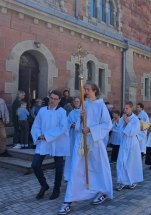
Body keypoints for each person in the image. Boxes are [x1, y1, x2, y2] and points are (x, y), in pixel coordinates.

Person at [58, 82, 113, 215]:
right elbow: (78, 126)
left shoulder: (100, 105)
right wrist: (81, 117)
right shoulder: (84, 104)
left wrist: (91, 129)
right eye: (85, 89)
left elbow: (108, 124)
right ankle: (68, 200)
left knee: (99, 167)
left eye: (87, 89)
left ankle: (103, 191)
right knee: (76, 168)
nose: (85, 92)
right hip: (81, 141)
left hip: (95, 141)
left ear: (94, 90)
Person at [31, 90, 69, 200]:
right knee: (35, 164)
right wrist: (38, 135)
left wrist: (46, 135)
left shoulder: (62, 112)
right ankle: (44, 185)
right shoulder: (42, 110)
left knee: (58, 166)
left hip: (57, 141)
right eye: (51, 98)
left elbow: (62, 128)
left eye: (55, 99)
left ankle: (56, 188)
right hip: (43, 141)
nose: (52, 100)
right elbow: (36, 125)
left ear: (59, 100)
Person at [116, 101, 143, 191]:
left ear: (131, 108)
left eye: (127, 108)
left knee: (131, 162)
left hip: (132, 143)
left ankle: (133, 181)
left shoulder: (135, 119)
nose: (125, 110)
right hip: (124, 142)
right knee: (121, 161)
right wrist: (124, 124)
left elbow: (134, 131)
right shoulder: (122, 118)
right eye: (124, 108)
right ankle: (122, 181)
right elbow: (119, 130)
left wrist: (128, 123)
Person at [63, 97, 81, 181]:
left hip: (80, 135)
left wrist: (77, 125)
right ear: (73, 103)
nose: (76, 102)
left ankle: (78, 174)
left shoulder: (83, 112)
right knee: (70, 154)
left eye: (78, 101)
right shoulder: (71, 113)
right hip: (72, 135)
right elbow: (67, 123)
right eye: (75, 101)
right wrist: (71, 125)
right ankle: (68, 174)